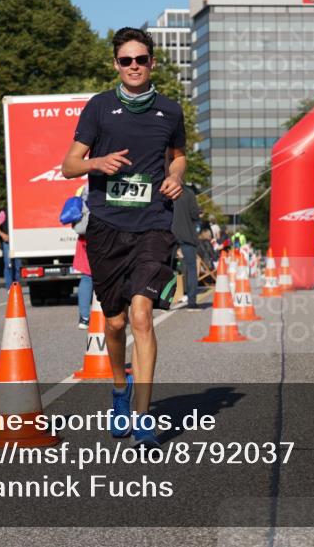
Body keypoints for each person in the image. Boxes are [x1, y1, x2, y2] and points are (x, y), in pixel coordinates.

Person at [61, 27, 186, 448]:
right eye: (126, 60)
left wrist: (174, 176)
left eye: (141, 59)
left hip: (153, 224)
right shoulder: (99, 108)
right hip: (107, 227)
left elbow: (179, 156)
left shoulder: (170, 111)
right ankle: (120, 388)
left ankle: (144, 414)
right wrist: (98, 162)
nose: (134, 66)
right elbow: (69, 165)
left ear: (152, 63)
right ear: (116, 64)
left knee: (141, 317)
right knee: (114, 323)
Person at [172, 183, 202, 311]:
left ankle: (163, 300)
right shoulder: (188, 193)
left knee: (165, 267)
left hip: (168, 233)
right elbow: (195, 214)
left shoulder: (164, 189)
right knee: (191, 268)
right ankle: (192, 301)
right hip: (187, 234)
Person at [72, 221, 93, 329]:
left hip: (85, 238)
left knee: (87, 277)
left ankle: (84, 318)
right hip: (105, 234)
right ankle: (112, 315)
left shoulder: (84, 203)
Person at [0, 209, 20, 291]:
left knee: (18, 266)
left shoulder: (19, 209)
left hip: (18, 242)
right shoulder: (4, 212)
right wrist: (3, 235)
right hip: (7, 243)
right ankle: (9, 288)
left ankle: (16, 286)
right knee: (8, 265)